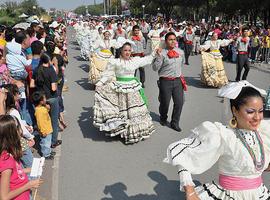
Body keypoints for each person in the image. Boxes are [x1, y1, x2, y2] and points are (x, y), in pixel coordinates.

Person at [164, 81, 270, 200]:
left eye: (260, 111)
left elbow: (254, 166)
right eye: (250, 112)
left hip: (259, 194)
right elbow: (183, 156)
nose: (257, 117)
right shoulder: (222, 135)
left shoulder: (263, 133)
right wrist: (191, 192)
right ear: (235, 110)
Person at [94, 42, 158, 144]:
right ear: (121, 51)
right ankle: (121, 131)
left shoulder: (135, 61)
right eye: (125, 50)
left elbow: (147, 60)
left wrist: (154, 53)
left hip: (133, 88)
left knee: (134, 112)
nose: (128, 52)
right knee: (121, 111)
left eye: (129, 50)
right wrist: (100, 83)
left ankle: (132, 132)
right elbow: (108, 74)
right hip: (120, 87)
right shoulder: (115, 62)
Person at [0, 115, 42, 200]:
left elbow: (15, 172)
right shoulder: (6, 160)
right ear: (10, 134)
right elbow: (4, 197)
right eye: (18, 127)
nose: (21, 131)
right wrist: (29, 185)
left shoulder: (9, 153)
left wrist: (31, 169)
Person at [152, 32, 185, 132]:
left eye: (174, 39)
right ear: (166, 41)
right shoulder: (161, 53)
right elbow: (154, 68)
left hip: (178, 81)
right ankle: (163, 117)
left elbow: (182, 63)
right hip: (165, 81)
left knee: (179, 102)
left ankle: (175, 122)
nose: (173, 41)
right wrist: (158, 57)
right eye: (170, 39)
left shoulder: (180, 52)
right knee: (165, 102)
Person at [31, 54, 62, 149]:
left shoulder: (36, 70)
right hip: (51, 98)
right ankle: (53, 141)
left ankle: (44, 140)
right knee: (53, 121)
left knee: (42, 121)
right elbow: (53, 88)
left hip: (41, 99)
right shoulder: (51, 70)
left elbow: (32, 85)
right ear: (48, 60)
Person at [32, 91, 55, 160]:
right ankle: (46, 154)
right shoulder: (39, 111)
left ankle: (49, 151)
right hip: (45, 131)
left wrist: (47, 108)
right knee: (45, 143)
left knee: (48, 142)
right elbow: (40, 123)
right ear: (41, 101)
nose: (46, 99)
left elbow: (45, 113)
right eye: (44, 98)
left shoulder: (42, 108)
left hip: (48, 128)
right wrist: (43, 132)